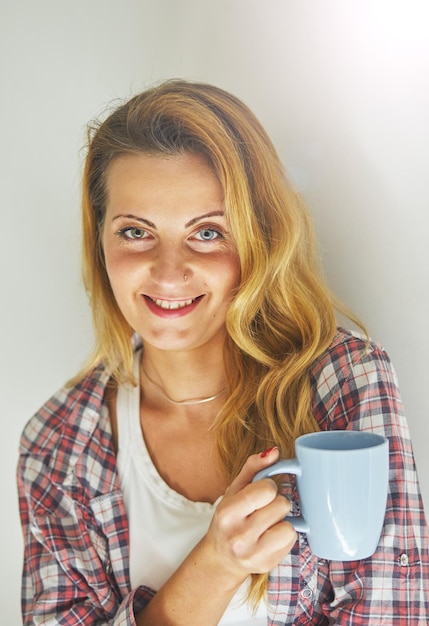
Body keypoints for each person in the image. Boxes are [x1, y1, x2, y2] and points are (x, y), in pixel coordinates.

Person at [17, 79, 429, 625]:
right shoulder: (57, 445)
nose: (168, 272)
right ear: (100, 240)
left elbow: (392, 612)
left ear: (258, 238)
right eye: (136, 231)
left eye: (207, 233)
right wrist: (216, 565)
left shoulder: (345, 380)